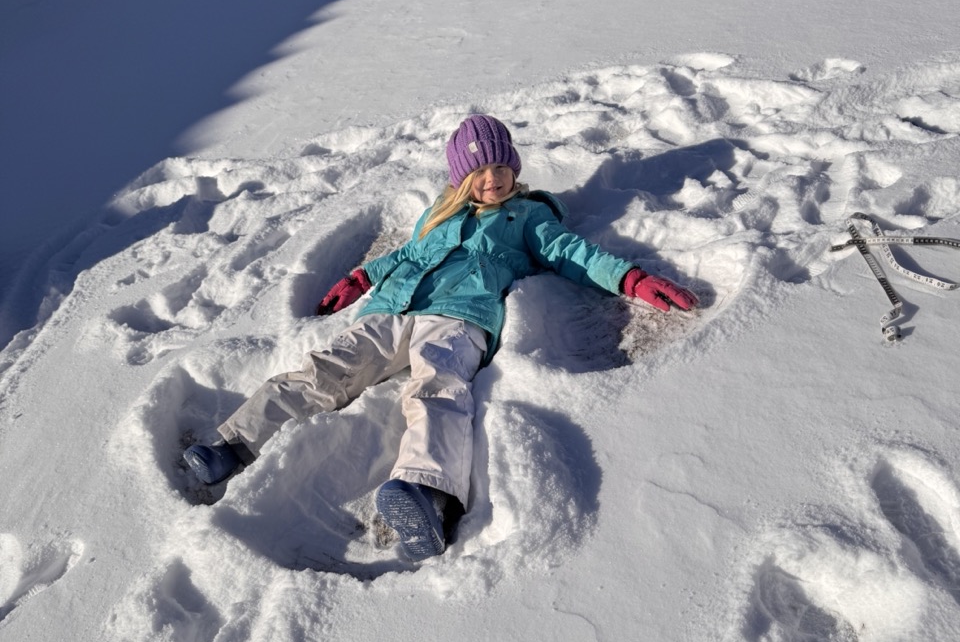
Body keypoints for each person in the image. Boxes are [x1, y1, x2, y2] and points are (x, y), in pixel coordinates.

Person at [183, 115, 698, 562]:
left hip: (460, 317)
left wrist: (629, 278)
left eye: (500, 167)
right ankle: (233, 443)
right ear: (462, 177)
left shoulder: (527, 217)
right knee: (325, 370)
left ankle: (426, 495)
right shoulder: (439, 213)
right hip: (393, 311)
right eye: (479, 172)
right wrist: (362, 279)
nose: (492, 180)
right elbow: (408, 255)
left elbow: (574, 253)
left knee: (437, 388)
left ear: (514, 168)